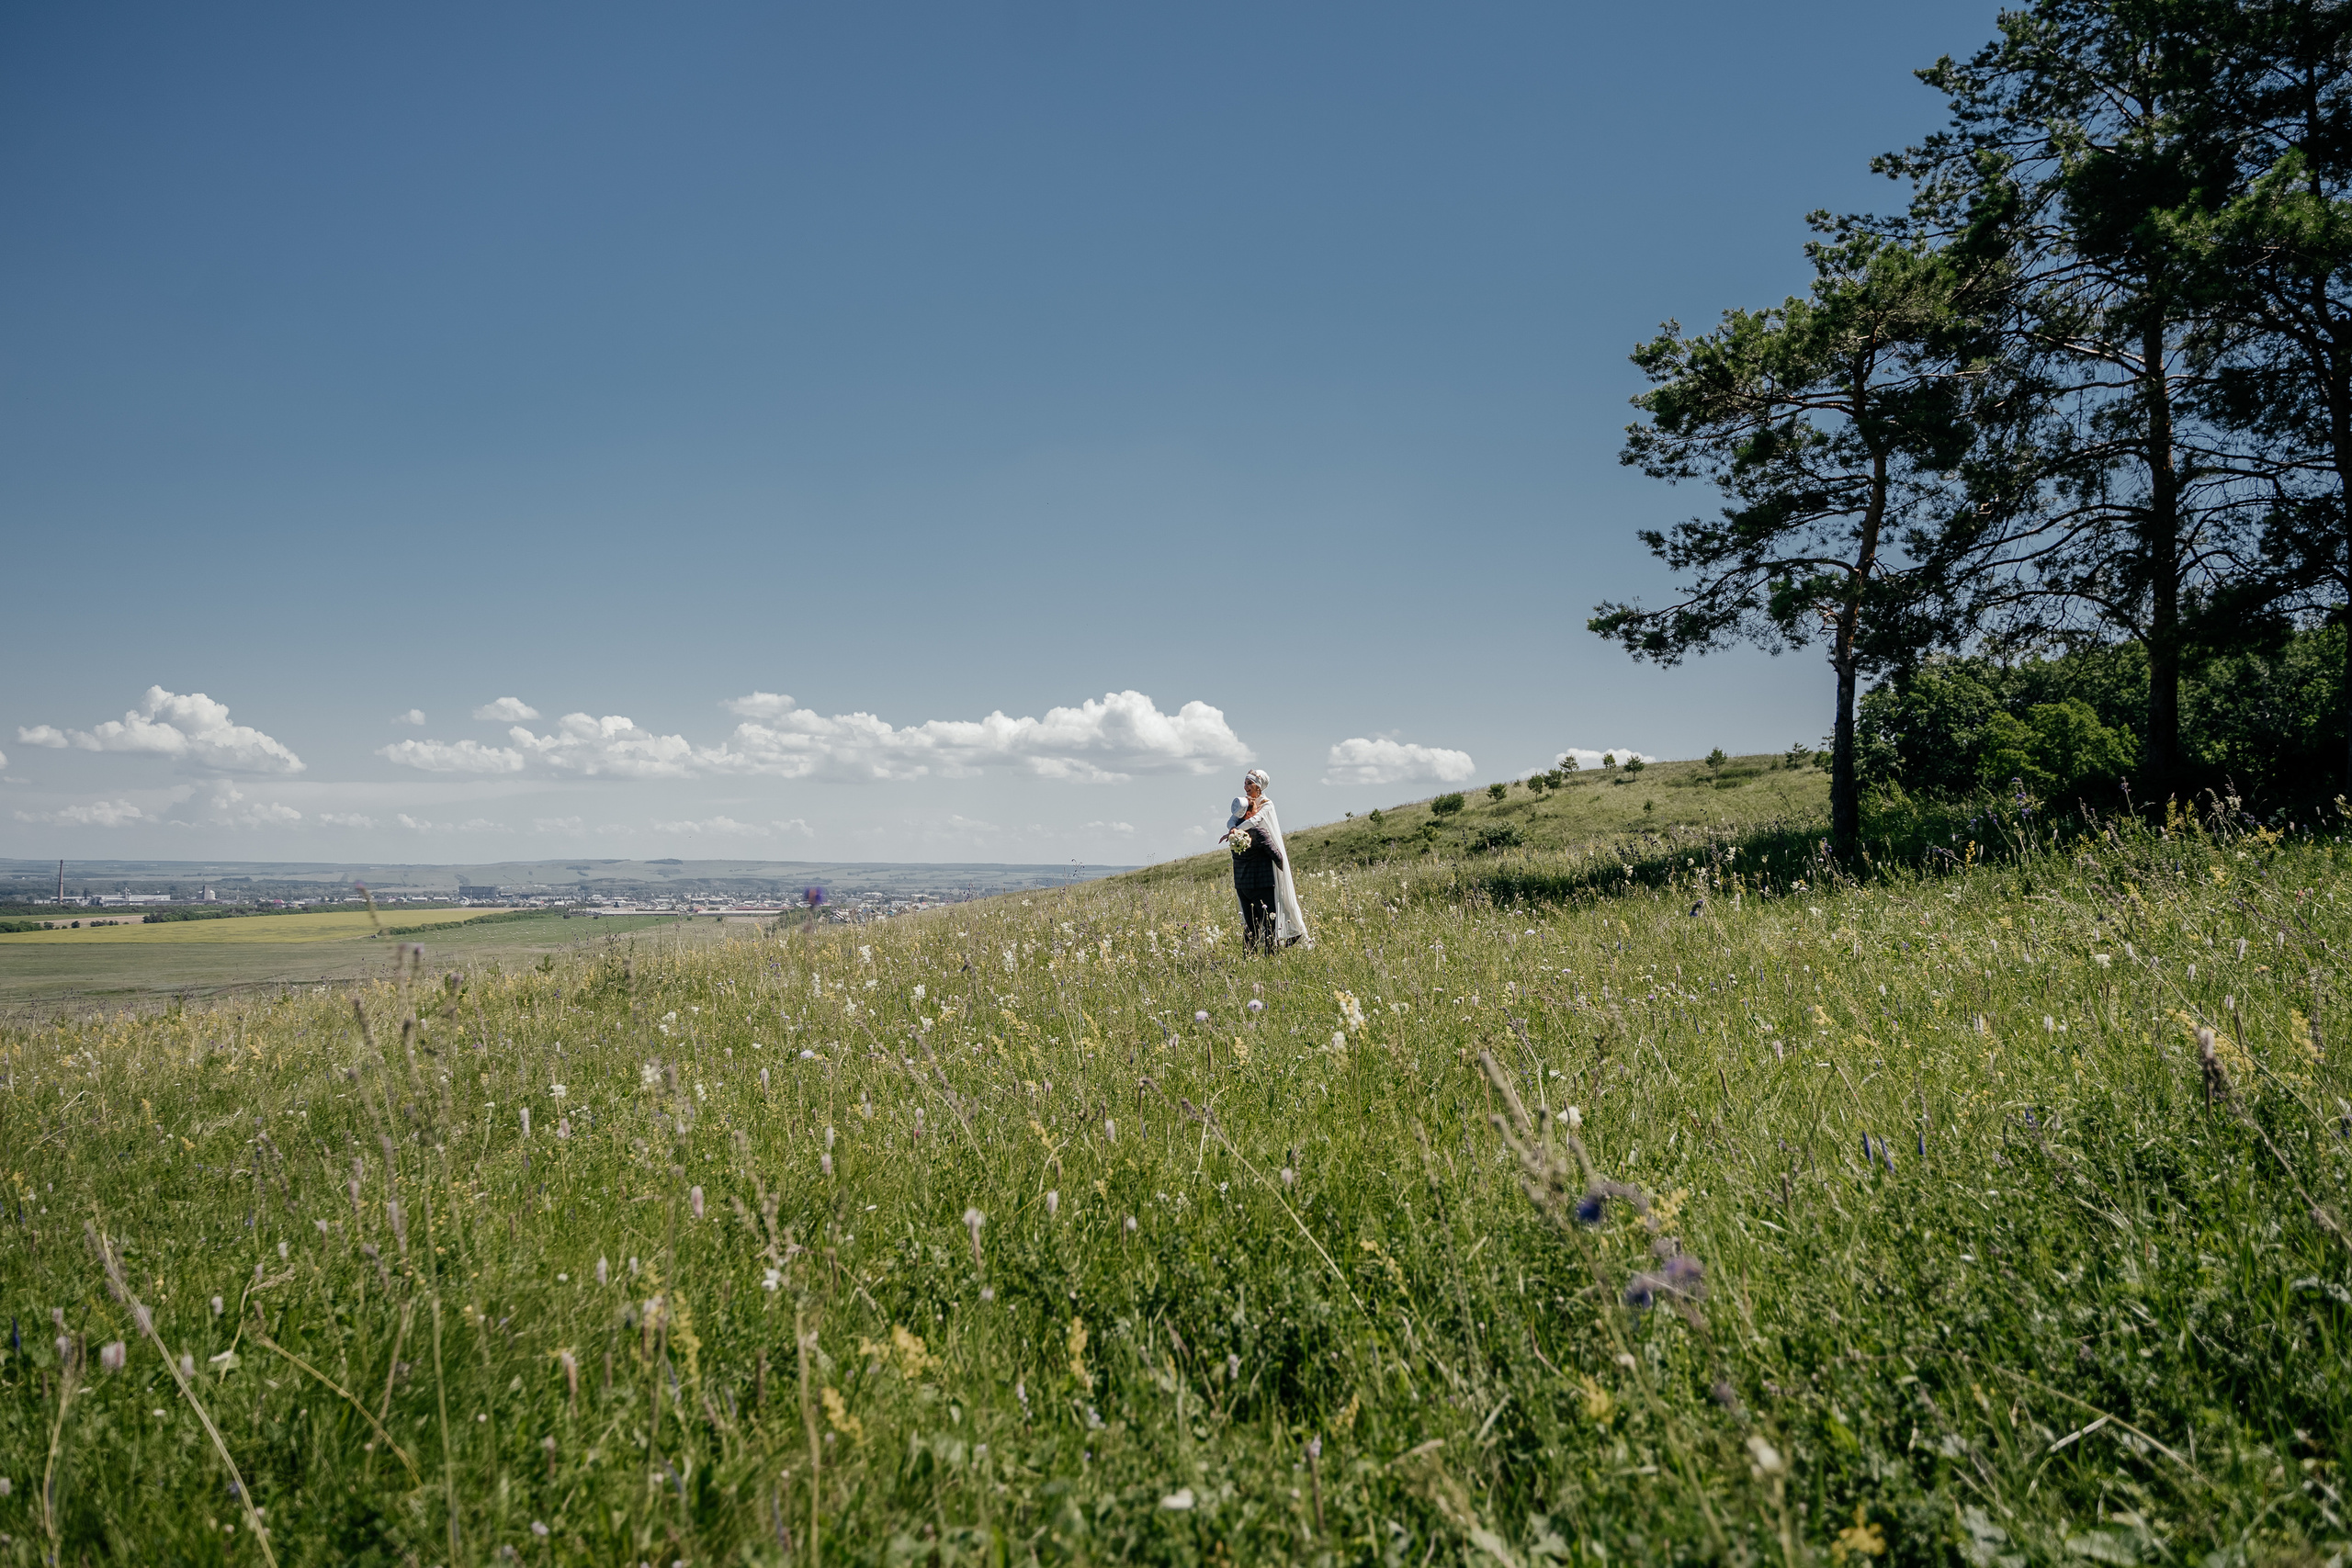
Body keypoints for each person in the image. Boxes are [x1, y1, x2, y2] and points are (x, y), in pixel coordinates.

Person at [1221, 769, 1310, 951]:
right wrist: (1233, 829)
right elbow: (1232, 819)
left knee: (1254, 921)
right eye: (1245, 783)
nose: (1245, 787)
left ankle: (1258, 953)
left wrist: (1237, 831)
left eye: (1249, 783)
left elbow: (1256, 820)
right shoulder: (1245, 805)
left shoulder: (1267, 805)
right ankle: (1271, 953)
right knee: (1265, 920)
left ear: (1258, 786)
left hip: (1248, 873)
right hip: (1259, 876)